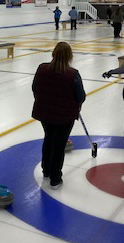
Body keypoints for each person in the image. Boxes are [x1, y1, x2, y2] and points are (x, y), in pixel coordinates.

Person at [32, 42, 85, 188]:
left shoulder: (42, 68)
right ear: (69, 56)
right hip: (65, 116)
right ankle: (55, 178)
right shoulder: (73, 74)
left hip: (45, 113)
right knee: (58, 144)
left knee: (49, 138)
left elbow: (35, 88)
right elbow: (80, 96)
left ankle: (46, 170)